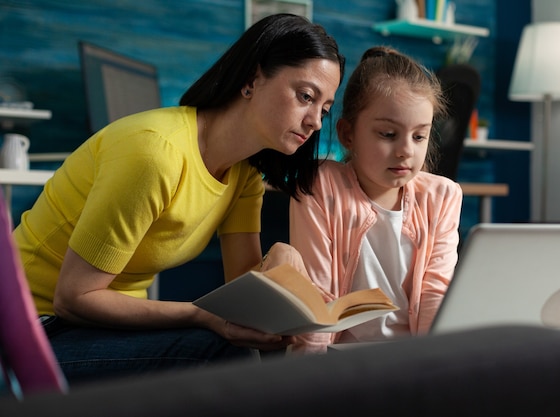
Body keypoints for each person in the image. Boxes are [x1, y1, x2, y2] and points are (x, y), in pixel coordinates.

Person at [12, 13, 344, 384]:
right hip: (30, 329)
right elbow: (73, 298)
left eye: (325, 109)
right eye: (305, 96)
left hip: (94, 328)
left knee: (252, 345)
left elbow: (247, 297)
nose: (315, 120)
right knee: (219, 351)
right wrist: (201, 314)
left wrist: (281, 259)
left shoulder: (243, 174)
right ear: (253, 79)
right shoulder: (156, 155)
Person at [289, 46, 463, 353]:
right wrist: (310, 382)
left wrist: (436, 367)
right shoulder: (320, 186)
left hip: (412, 360)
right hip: (340, 362)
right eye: (387, 134)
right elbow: (316, 297)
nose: (406, 150)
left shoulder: (442, 196)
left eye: (419, 136)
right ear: (347, 134)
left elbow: (435, 293)